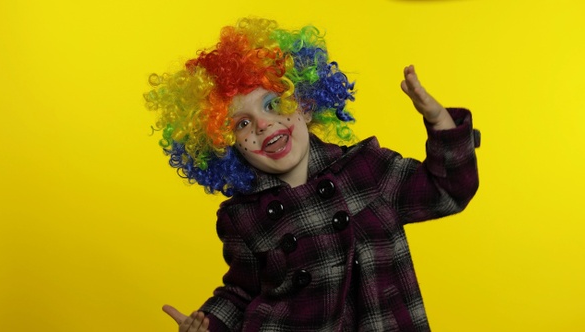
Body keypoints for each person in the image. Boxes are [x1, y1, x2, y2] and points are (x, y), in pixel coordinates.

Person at [144, 17, 480, 332]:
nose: (263, 124)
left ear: (303, 105)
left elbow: (448, 191)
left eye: (273, 105)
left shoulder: (366, 170)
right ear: (228, 146)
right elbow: (242, 292)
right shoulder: (242, 217)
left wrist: (440, 123)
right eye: (242, 123)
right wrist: (209, 322)